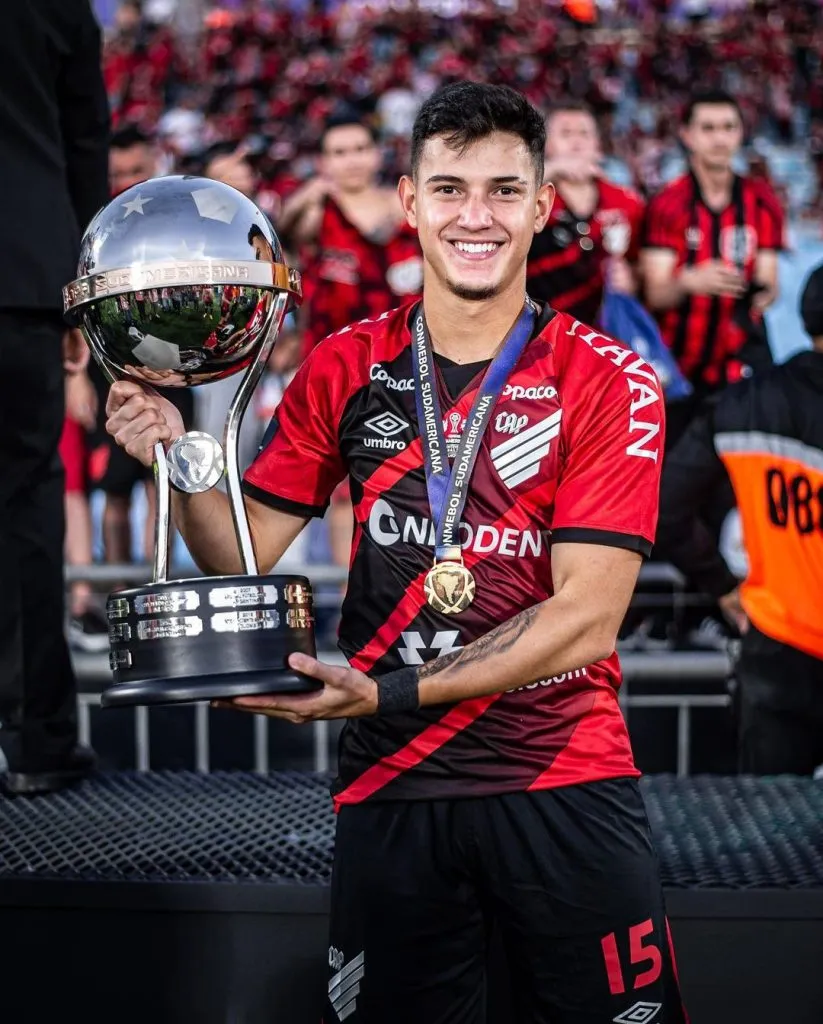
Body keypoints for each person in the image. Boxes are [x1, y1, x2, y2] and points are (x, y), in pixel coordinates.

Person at [105, 83, 685, 1023]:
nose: (476, 217)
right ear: (410, 201)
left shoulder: (608, 378)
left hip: (561, 772)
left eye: (503, 192)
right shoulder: (342, 365)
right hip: (392, 780)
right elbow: (237, 553)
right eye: (450, 189)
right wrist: (177, 456)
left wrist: (388, 691)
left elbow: (588, 616)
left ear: (542, 207)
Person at [0, 0, 109, 794]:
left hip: (28, 278)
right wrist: (80, 293)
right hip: (23, 273)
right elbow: (84, 145)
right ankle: (34, 741)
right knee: (25, 506)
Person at [655, 263, 823, 776]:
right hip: (776, 640)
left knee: (768, 839)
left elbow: (664, 509)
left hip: (774, 642)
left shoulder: (743, 401)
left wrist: (723, 588)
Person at [640, 88, 785, 449]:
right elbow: (655, 293)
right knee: (673, 486)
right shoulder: (668, 205)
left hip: (740, 366)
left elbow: (770, 284)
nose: (719, 138)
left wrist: (756, 291)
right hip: (677, 370)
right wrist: (690, 281)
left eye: (728, 127)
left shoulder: (762, 202)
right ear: (687, 135)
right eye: (708, 128)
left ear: (741, 132)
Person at [88, 124, 195, 570]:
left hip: (172, 364)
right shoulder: (96, 227)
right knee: (114, 488)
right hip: (108, 367)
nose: (128, 181)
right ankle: (115, 590)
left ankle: (159, 579)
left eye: (137, 169)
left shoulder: (179, 219)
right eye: (119, 172)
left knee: (163, 478)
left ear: (154, 163)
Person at [278, 111, 423, 355]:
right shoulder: (320, 212)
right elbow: (283, 235)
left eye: (361, 149)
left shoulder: (411, 207)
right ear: (322, 162)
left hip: (407, 356)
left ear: (377, 154)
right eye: (339, 153)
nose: (352, 161)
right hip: (334, 363)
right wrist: (305, 195)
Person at [526, 101, 645, 326]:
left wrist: (634, 280)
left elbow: (643, 266)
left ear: (598, 144)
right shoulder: (532, 196)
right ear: (546, 144)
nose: (576, 142)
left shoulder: (626, 201)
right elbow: (502, 198)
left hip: (602, 335)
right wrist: (550, 170)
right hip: (538, 330)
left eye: (584, 133)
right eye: (565, 133)